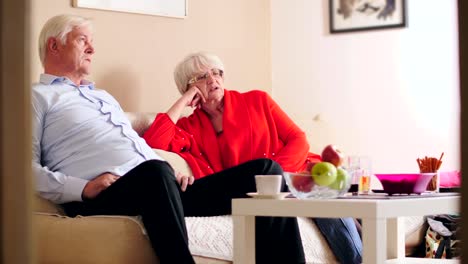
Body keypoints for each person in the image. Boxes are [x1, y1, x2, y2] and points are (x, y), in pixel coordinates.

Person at [32, 15, 306, 264]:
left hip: (157, 186)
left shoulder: (103, 98)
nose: (92, 49)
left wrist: (172, 173)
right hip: (105, 193)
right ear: (54, 46)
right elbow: (21, 169)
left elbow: (141, 147)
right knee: (155, 171)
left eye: (92, 42)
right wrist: (82, 188)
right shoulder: (35, 97)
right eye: (83, 41)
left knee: (265, 172)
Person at [143, 52, 363, 264]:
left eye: (216, 72)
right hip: (250, 190)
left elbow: (298, 138)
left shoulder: (257, 100)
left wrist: (278, 176)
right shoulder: (189, 127)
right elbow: (154, 142)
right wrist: (185, 99)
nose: (213, 79)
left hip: (292, 174)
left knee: (331, 210)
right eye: (202, 77)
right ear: (189, 87)